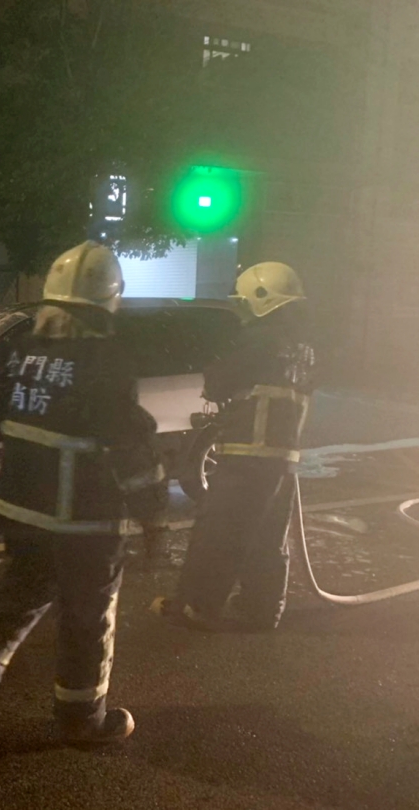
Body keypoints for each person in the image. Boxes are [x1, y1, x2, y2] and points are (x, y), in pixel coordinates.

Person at [0, 241, 167, 746]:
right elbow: (132, 450)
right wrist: (154, 519)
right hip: (85, 523)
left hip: (24, 512)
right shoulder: (107, 360)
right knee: (86, 620)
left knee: (18, 597)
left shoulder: (21, 354)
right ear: (107, 303)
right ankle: (81, 721)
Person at [153, 262, 315, 633]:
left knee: (217, 534)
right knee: (267, 538)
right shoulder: (303, 347)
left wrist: (216, 365)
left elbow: (219, 383)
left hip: (246, 454)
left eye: (244, 302)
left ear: (263, 298)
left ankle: (195, 607)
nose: (242, 310)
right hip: (283, 457)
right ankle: (262, 610)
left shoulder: (260, 338)